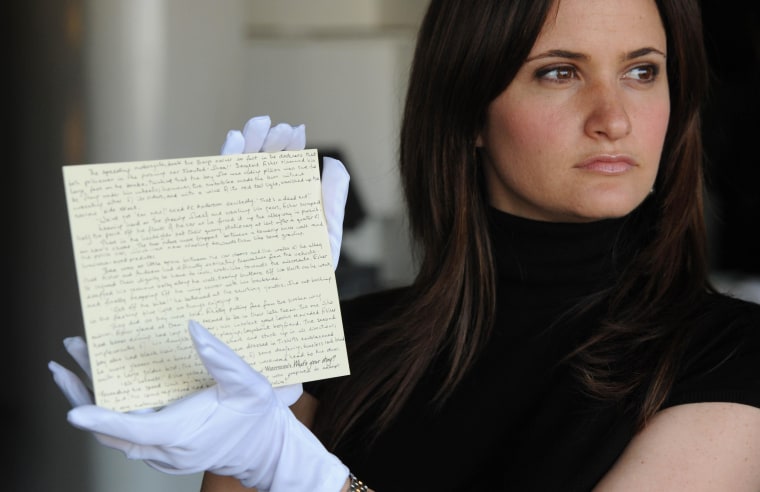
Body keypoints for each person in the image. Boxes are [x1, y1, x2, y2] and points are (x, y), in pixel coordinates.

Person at [49, 0, 760, 490]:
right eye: (559, 72)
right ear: (470, 110)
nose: (614, 117)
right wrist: (245, 415)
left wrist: (300, 472)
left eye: (643, 71)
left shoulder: (730, 358)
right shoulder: (338, 354)